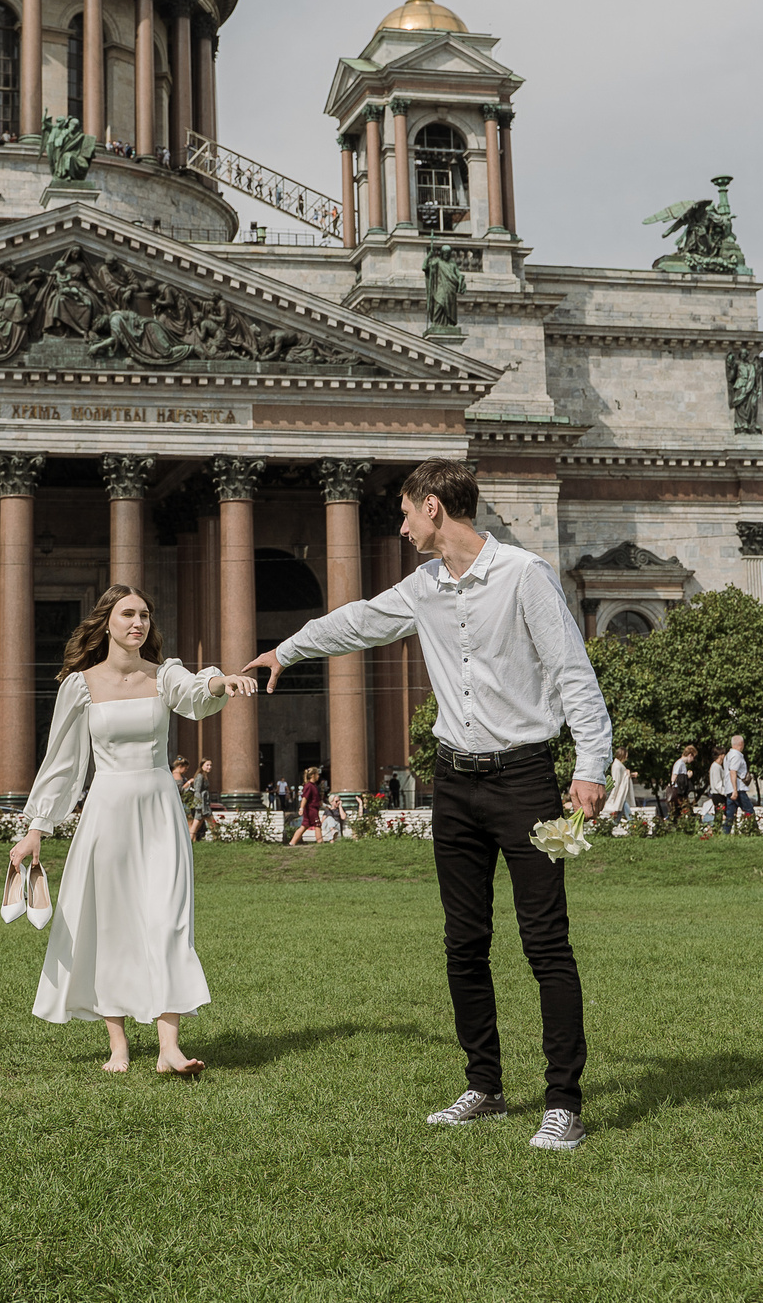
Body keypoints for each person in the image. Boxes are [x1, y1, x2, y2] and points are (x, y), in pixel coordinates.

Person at [246, 457, 612, 1153]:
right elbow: (357, 622)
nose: (404, 521)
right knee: (463, 942)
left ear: (435, 507)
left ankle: (564, 1101)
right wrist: (285, 651)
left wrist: (592, 766)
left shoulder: (524, 575)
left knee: (545, 945)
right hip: (456, 782)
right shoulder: (425, 585)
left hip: (525, 780)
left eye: (408, 510)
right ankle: (485, 1084)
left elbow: (572, 671)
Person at [11, 585, 258, 1076]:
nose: (137, 622)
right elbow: (61, 763)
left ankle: (169, 1049)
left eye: (145, 614)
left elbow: (194, 695)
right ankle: (118, 1047)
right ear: (107, 622)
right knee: (111, 927)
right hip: (106, 813)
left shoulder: (164, 675)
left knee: (170, 922)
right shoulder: (79, 686)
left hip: (160, 812)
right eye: (128, 614)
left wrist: (220, 683)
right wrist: (36, 828)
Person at [720, 734, 752, 831]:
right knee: (749, 811)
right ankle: (753, 831)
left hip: (729, 789)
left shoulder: (728, 756)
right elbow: (733, 772)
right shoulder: (736, 755)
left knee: (730, 814)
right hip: (738, 788)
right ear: (741, 744)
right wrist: (735, 790)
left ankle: (725, 833)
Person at [289, 765, 325, 845]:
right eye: (317, 774)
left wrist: (324, 806)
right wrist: (301, 808)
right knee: (317, 825)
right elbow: (305, 798)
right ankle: (320, 842)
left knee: (304, 826)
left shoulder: (314, 786)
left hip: (313, 809)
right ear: (313, 775)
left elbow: (316, 799)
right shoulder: (309, 786)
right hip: (311, 810)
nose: (318, 776)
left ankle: (292, 842)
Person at [667, 744, 699, 825]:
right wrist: (687, 776)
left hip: (680, 791)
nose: (692, 760)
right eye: (693, 757)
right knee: (682, 809)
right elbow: (675, 775)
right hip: (678, 791)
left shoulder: (682, 764)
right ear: (690, 755)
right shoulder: (680, 763)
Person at [603, 747, 637, 821]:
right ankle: (632, 822)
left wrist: (629, 774)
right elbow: (617, 780)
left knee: (620, 809)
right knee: (622, 805)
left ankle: (615, 824)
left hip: (621, 792)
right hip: (620, 791)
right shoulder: (617, 766)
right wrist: (614, 793)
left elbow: (622, 776)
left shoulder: (619, 765)